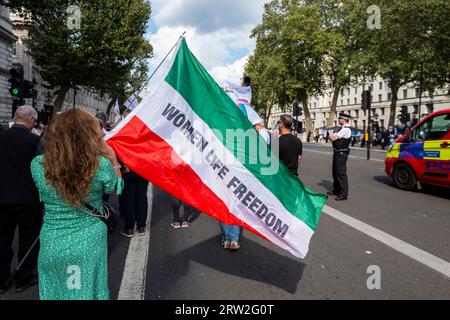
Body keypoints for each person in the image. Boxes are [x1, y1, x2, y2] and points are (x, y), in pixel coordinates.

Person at [30, 108, 123, 300]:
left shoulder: (38, 164)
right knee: (89, 291)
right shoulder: (101, 165)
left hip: (53, 241)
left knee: (55, 293)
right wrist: (113, 159)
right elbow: (115, 189)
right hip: (89, 242)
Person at [0, 106, 42, 294]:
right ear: (32, 121)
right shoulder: (35, 141)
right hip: (28, 199)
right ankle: (23, 279)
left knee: (1, 240)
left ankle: (1, 280)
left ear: (14, 118)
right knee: (28, 239)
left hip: (2, 198)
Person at [119, 168, 149, 237]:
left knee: (128, 199)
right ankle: (141, 227)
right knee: (142, 198)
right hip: (143, 168)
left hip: (128, 168)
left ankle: (129, 228)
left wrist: (123, 166)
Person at [328, 112, 352, 201]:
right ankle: (336, 189)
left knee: (341, 173)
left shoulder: (346, 129)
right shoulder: (341, 129)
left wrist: (331, 136)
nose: (338, 120)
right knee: (335, 172)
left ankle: (343, 193)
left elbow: (333, 138)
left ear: (343, 120)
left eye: (339, 119)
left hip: (341, 153)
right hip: (337, 152)